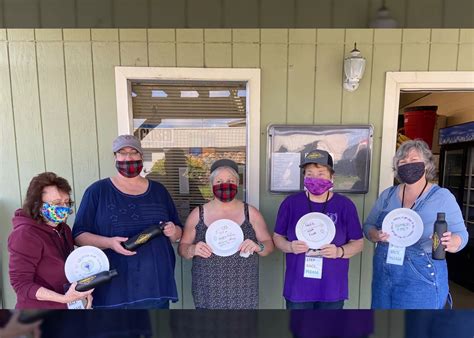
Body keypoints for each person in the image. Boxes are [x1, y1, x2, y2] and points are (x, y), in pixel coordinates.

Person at [73, 134, 182, 309]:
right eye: (122, 153)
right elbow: (79, 236)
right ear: (115, 157)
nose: (128, 157)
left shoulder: (159, 191)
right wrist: (109, 243)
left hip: (155, 286)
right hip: (113, 289)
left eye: (134, 152)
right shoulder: (98, 191)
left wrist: (173, 231)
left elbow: (178, 230)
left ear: (141, 156)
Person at [363, 139, 468, 309]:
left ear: (426, 165)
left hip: (421, 275)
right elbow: (368, 226)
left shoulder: (442, 196)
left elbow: (462, 235)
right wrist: (375, 235)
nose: (407, 165)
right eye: (402, 162)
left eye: (413, 160)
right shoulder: (388, 195)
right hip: (385, 273)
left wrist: (452, 242)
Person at [273, 149, 364, 309]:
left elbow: (358, 243)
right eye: (309, 174)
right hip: (298, 289)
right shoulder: (291, 203)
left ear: (331, 176)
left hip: (332, 288)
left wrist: (339, 252)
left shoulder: (345, 205)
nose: (315, 178)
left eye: (321, 173)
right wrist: (289, 247)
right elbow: (277, 237)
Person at [178, 159, 274, 309]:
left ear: (237, 184)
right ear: (211, 185)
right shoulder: (198, 214)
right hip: (207, 288)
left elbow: (268, 245)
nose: (225, 184)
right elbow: (183, 247)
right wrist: (192, 249)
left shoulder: (251, 213)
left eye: (230, 180)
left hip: (243, 289)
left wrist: (258, 247)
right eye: (219, 181)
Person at [8, 172, 93, 309]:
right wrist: (64, 298)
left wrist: (80, 292)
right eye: (57, 203)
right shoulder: (25, 234)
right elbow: (21, 284)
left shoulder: (63, 228)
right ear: (38, 205)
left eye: (67, 202)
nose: (64, 208)